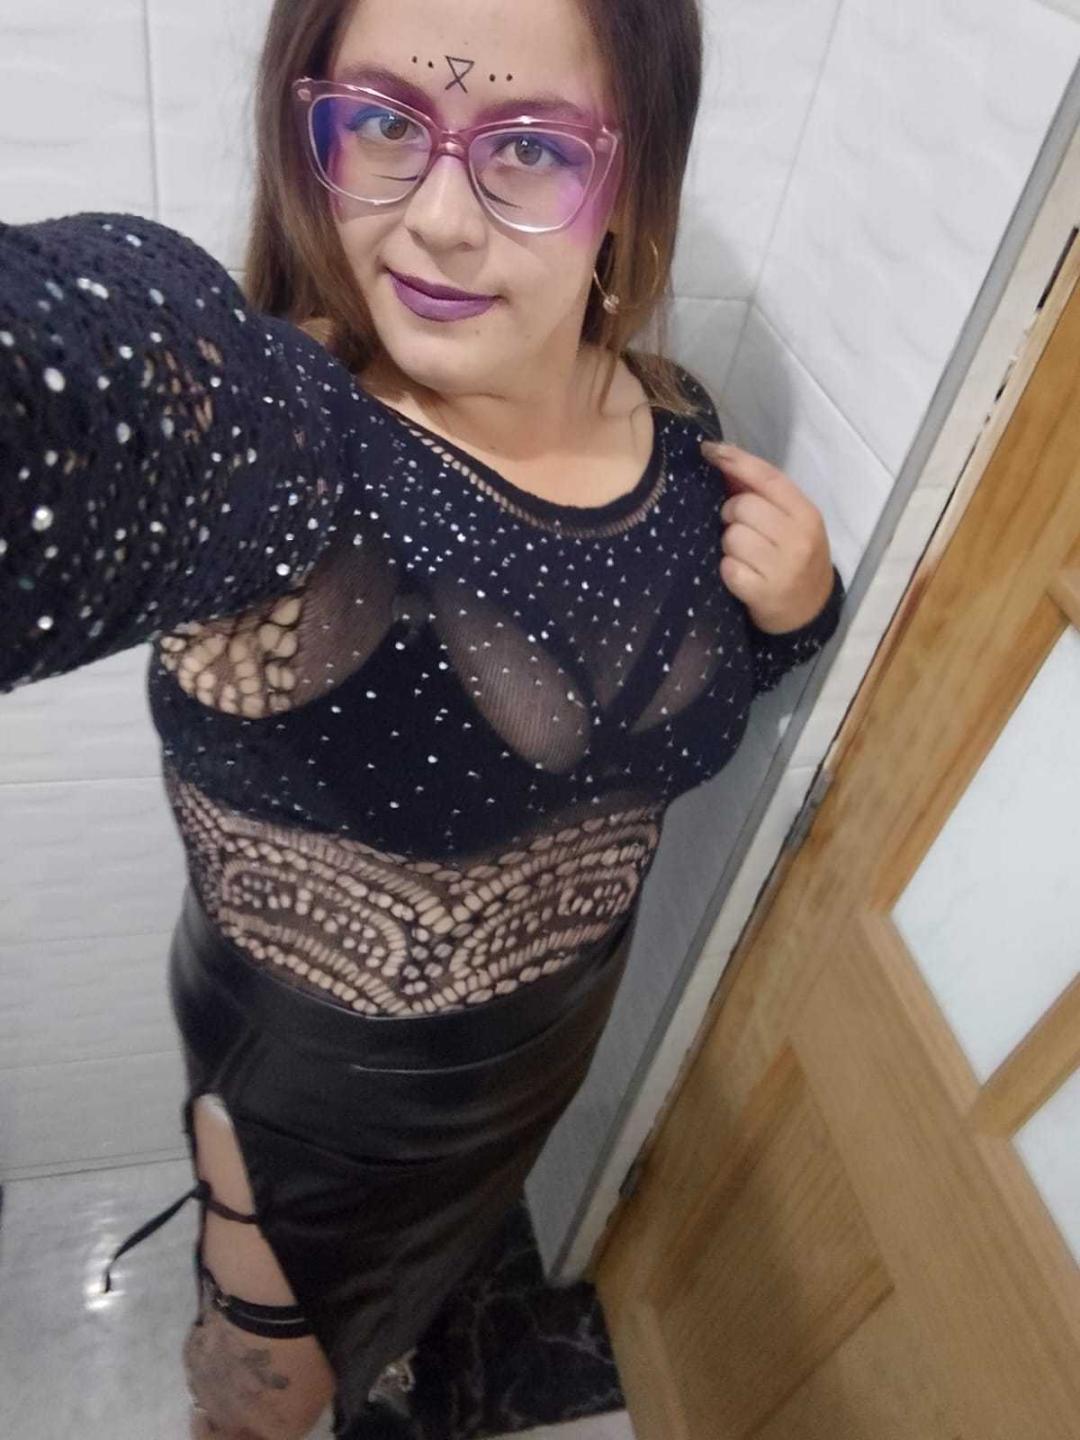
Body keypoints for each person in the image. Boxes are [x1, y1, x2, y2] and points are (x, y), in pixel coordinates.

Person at [0, 0, 845, 1435]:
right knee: (261, 1402)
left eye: (530, 147)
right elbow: (87, 390)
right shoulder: (289, 466)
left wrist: (802, 611)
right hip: (313, 1125)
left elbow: (657, 733)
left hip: (539, 1060)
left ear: (632, 179)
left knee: (419, 1304)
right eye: (386, 123)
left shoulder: (678, 422)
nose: (438, 222)